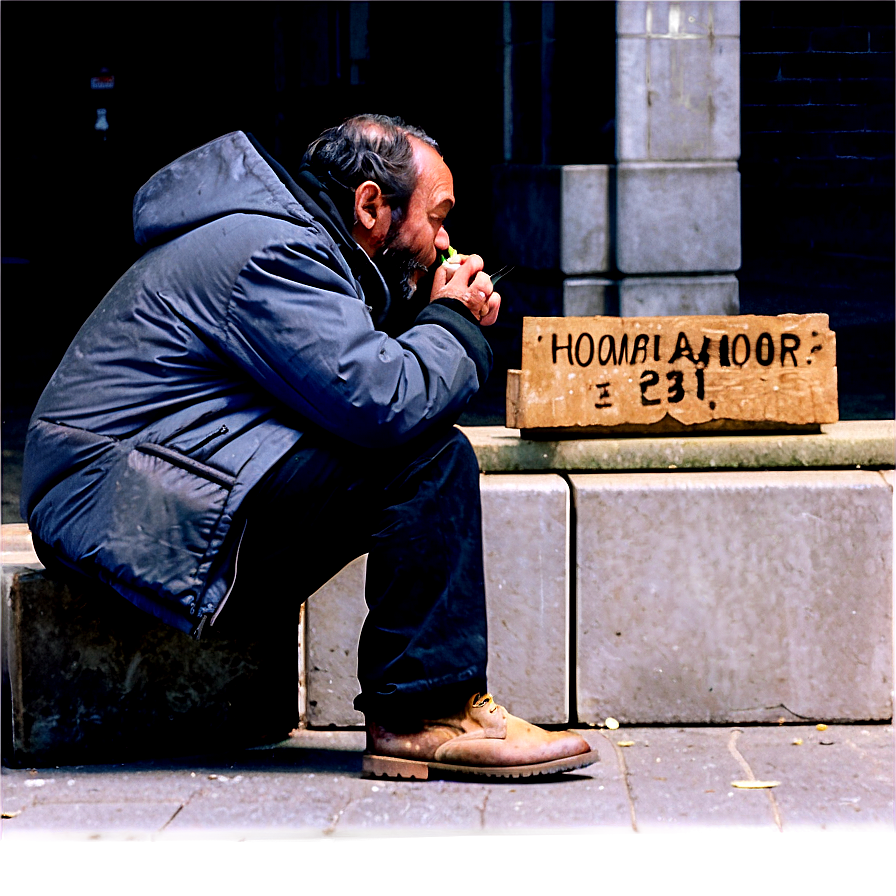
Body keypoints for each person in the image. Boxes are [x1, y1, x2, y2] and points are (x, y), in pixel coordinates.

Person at [21, 114, 597, 780]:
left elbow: (350, 376)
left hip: (139, 485)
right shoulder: (272, 253)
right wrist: (453, 323)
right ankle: (423, 715)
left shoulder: (295, 248)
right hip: (111, 504)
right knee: (427, 462)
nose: (444, 241)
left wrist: (436, 319)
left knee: (412, 449)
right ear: (371, 205)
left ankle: (428, 706)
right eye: (437, 218)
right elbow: (383, 404)